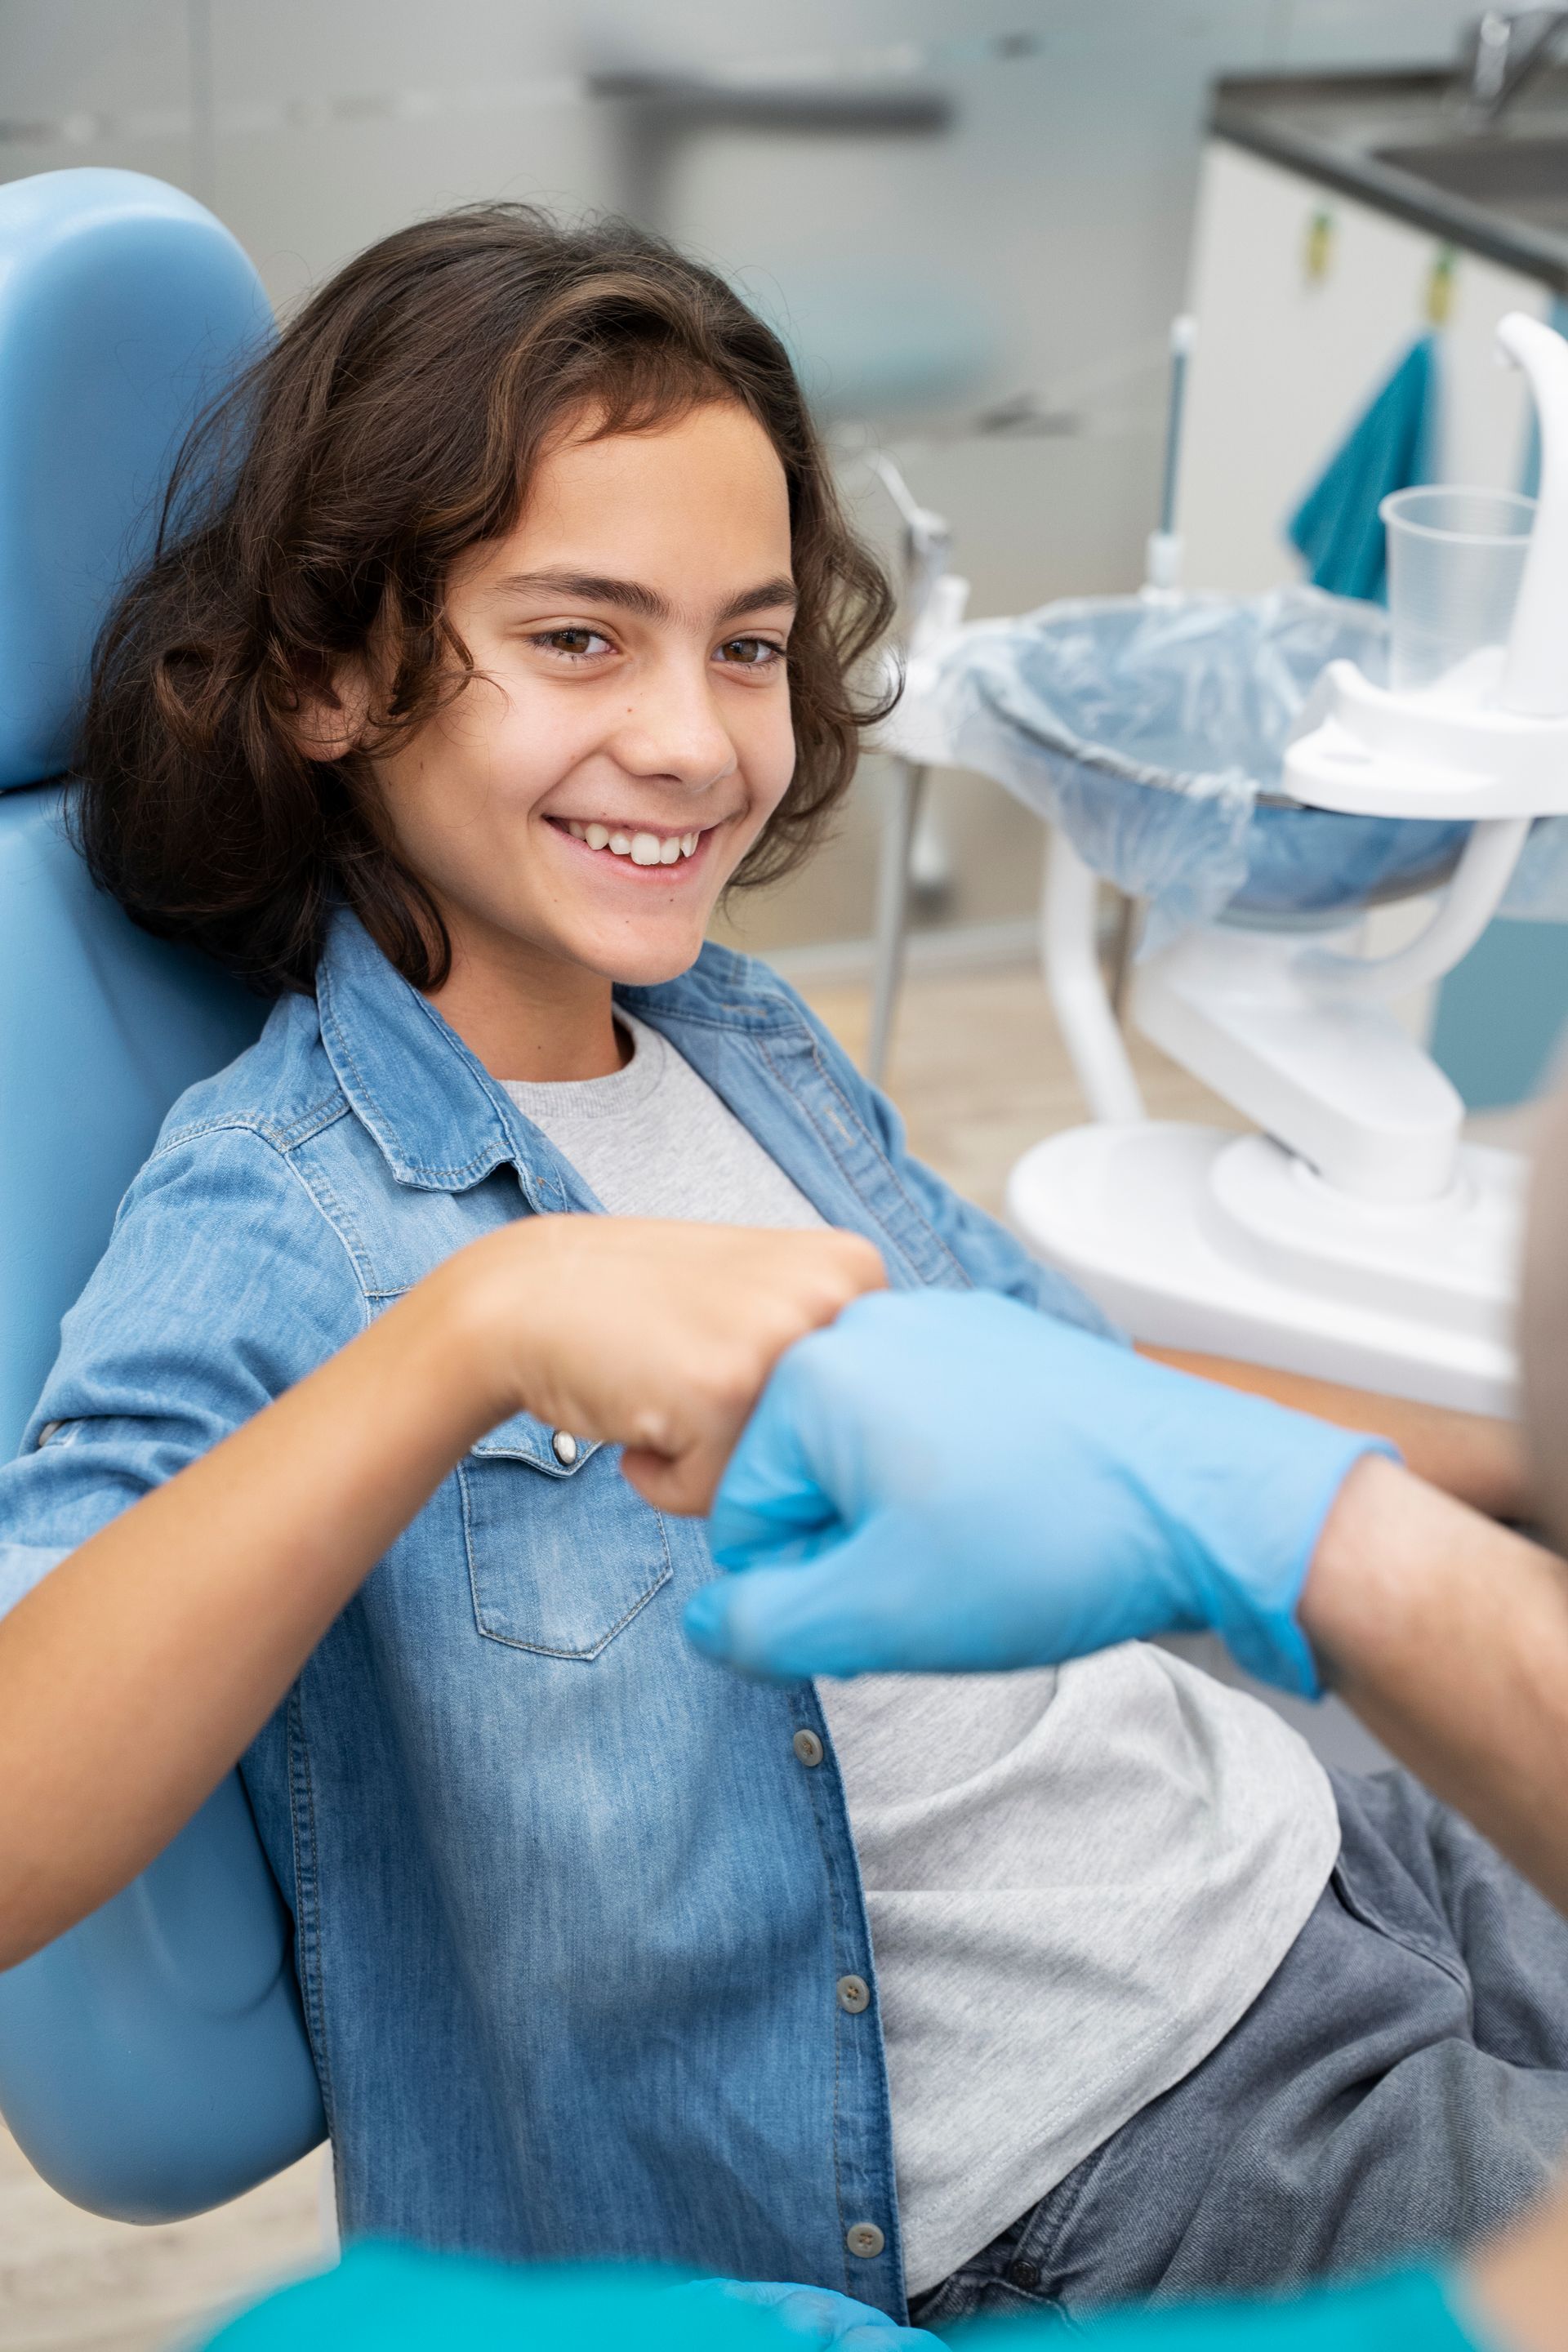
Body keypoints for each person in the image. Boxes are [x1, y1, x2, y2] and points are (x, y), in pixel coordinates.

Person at [0, 201, 1550, 2328]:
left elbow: (1108, 1413)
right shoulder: (279, 1203)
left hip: (1322, 1874)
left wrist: (1507, 1464)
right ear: (332, 675)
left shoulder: (741, 1034)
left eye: (741, 642)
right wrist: (472, 1335)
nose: (701, 740)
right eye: (579, 638)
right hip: (1129, 2149)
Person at [683, 1094, 1568, 2352]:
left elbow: (1084, 1374)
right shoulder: (317, 1237)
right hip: (1131, 2106)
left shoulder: (732, 1047)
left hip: (1316, 1841)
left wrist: (1408, 1488)